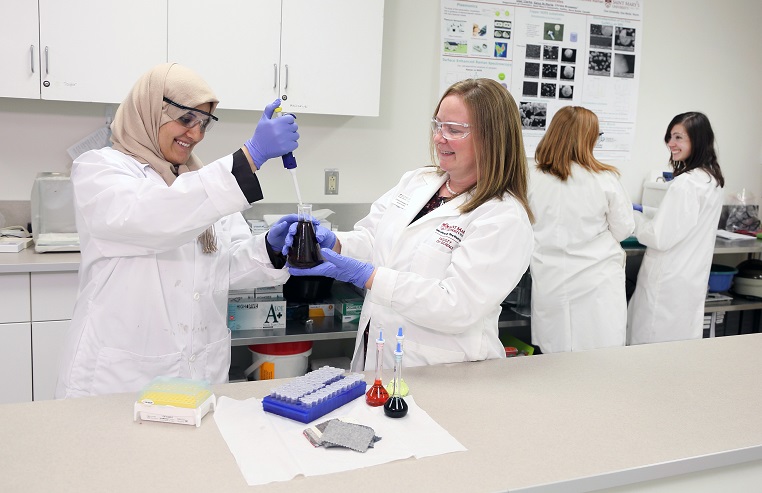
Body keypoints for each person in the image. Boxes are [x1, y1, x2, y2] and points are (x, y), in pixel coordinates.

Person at [55, 63, 303, 398]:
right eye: (186, 119)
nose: (196, 134)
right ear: (149, 112)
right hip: (122, 381)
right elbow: (155, 220)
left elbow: (223, 269)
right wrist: (250, 157)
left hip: (198, 375)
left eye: (203, 124)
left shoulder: (197, 181)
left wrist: (269, 249)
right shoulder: (100, 170)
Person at [284, 78, 534, 372]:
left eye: (454, 130)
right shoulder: (417, 182)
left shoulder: (502, 216)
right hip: (377, 353)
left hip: (444, 370)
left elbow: (457, 306)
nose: (440, 137)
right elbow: (374, 239)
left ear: (493, 138)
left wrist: (370, 277)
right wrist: (336, 244)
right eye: (437, 125)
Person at [528, 106, 634, 353]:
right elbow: (624, 229)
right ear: (588, 139)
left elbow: (523, 227)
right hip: (597, 282)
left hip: (551, 280)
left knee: (556, 357)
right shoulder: (604, 179)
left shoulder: (531, 177)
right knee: (600, 359)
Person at [628, 112, 725, 345]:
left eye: (679, 137)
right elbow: (684, 220)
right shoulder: (711, 179)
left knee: (651, 345)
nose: (671, 143)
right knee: (679, 348)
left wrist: (632, 218)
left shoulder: (686, 184)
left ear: (697, 140)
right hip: (689, 281)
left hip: (667, 283)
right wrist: (648, 211)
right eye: (671, 136)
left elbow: (659, 236)